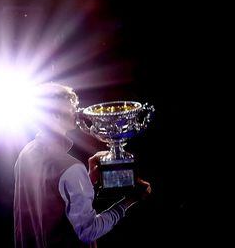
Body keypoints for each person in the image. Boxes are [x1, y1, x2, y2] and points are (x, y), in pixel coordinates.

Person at [13, 83, 152, 247]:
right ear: (53, 115)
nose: (77, 112)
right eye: (71, 107)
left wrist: (87, 180)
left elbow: (52, 202)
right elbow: (89, 231)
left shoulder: (25, 154)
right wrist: (128, 201)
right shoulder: (71, 168)